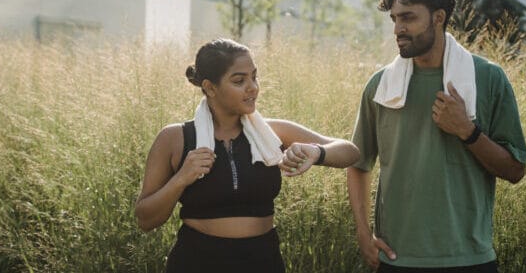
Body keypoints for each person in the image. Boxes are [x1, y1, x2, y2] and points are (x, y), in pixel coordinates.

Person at [347, 0, 526, 273]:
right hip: (396, 259)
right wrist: (364, 233)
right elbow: (358, 163)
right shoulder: (380, 85)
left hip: (470, 259)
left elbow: (515, 170)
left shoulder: (488, 79)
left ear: (438, 17)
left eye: (408, 18)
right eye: (394, 19)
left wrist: (467, 131)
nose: (398, 29)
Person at [135, 38, 360, 273]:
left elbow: (350, 152)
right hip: (197, 261)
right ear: (210, 87)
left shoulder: (272, 133)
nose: (252, 87)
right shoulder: (175, 138)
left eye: (254, 76)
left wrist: (317, 152)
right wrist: (181, 178)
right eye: (239, 80)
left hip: (263, 260)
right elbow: (145, 219)